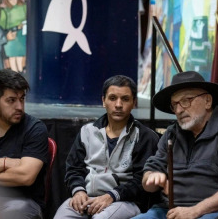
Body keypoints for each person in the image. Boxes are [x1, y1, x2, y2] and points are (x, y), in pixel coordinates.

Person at [133, 71, 218, 219]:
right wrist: (151, 178)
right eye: (174, 105)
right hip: (167, 211)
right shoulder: (171, 133)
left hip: (213, 213)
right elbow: (149, 176)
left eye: (186, 100)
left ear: (208, 101)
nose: (179, 110)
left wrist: (195, 211)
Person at [54, 75, 159, 219]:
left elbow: (141, 181)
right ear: (103, 101)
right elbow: (73, 168)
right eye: (112, 98)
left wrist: (112, 196)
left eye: (125, 99)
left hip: (125, 201)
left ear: (134, 102)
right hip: (87, 197)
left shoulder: (145, 136)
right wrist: (78, 191)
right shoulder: (87, 131)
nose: (118, 104)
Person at [0, 69, 48, 219]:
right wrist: (5, 162)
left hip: (21, 201)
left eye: (22, 99)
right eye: (11, 100)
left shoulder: (35, 128)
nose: (19, 106)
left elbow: (25, 176)